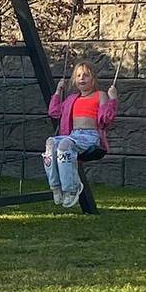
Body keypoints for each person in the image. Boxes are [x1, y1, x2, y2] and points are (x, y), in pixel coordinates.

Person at [44, 60, 118, 208]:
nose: (82, 78)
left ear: (93, 79)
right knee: (51, 142)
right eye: (78, 75)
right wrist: (58, 92)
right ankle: (56, 186)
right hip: (73, 135)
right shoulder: (72, 99)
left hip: (90, 137)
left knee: (65, 144)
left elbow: (107, 118)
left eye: (86, 75)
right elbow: (54, 112)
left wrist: (113, 99)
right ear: (74, 80)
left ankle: (71, 188)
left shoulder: (100, 95)